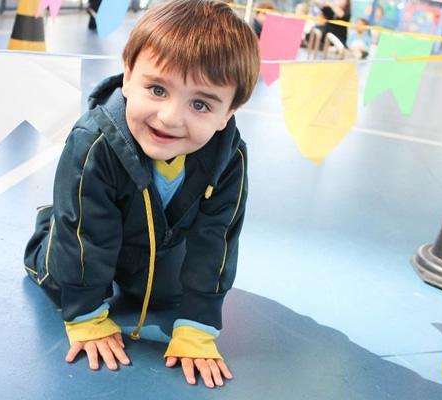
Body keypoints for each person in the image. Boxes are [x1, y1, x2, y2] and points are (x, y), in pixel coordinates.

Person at [23, 0, 260, 389]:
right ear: (128, 76)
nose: (170, 118)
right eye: (157, 89)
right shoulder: (94, 143)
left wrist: (199, 325)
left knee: (167, 295)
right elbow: (85, 238)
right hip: (87, 229)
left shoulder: (228, 158)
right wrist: (87, 317)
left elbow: (216, 239)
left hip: (154, 241)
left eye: (200, 104)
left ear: (228, 113)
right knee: (58, 273)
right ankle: (50, 223)